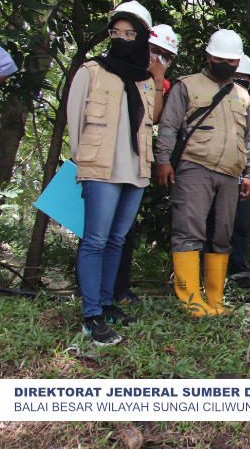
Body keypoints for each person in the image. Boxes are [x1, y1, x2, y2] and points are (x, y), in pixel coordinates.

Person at [66, 1, 157, 345]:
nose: (121, 39)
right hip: (101, 169)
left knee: (117, 239)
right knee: (95, 240)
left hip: (135, 171)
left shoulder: (146, 81)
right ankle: (91, 316)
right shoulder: (91, 70)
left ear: (143, 37)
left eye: (129, 33)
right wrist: (86, 162)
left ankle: (106, 303)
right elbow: (75, 123)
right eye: (115, 33)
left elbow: (148, 125)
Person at [154, 29, 250, 317]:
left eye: (232, 61)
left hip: (230, 174)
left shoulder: (243, 96)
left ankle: (214, 298)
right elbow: (168, 127)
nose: (227, 64)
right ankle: (189, 298)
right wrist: (163, 161)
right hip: (193, 167)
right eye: (221, 58)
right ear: (209, 56)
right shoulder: (186, 85)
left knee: (222, 235)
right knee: (189, 231)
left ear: (238, 64)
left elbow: (249, 139)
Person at [111, 23, 180, 305]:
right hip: (105, 156)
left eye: (166, 56)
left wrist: (158, 79)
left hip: (134, 158)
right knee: (96, 230)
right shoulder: (110, 68)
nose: (158, 59)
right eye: (155, 52)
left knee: (124, 229)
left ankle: (120, 290)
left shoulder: (161, 83)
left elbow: (153, 117)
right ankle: (89, 290)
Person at [224, 55, 250, 288]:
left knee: (241, 224)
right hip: (222, 171)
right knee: (216, 222)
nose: (240, 83)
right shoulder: (218, 101)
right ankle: (207, 272)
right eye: (236, 78)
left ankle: (238, 272)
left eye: (245, 80)